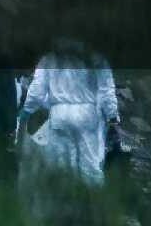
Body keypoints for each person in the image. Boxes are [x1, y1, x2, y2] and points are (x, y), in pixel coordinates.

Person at [15, 40, 119, 188]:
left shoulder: (49, 59)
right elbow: (106, 92)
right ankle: (93, 197)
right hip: (87, 115)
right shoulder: (96, 59)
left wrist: (26, 111)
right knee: (90, 167)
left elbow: (37, 90)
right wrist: (112, 116)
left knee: (61, 165)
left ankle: (65, 197)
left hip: (59, 114)